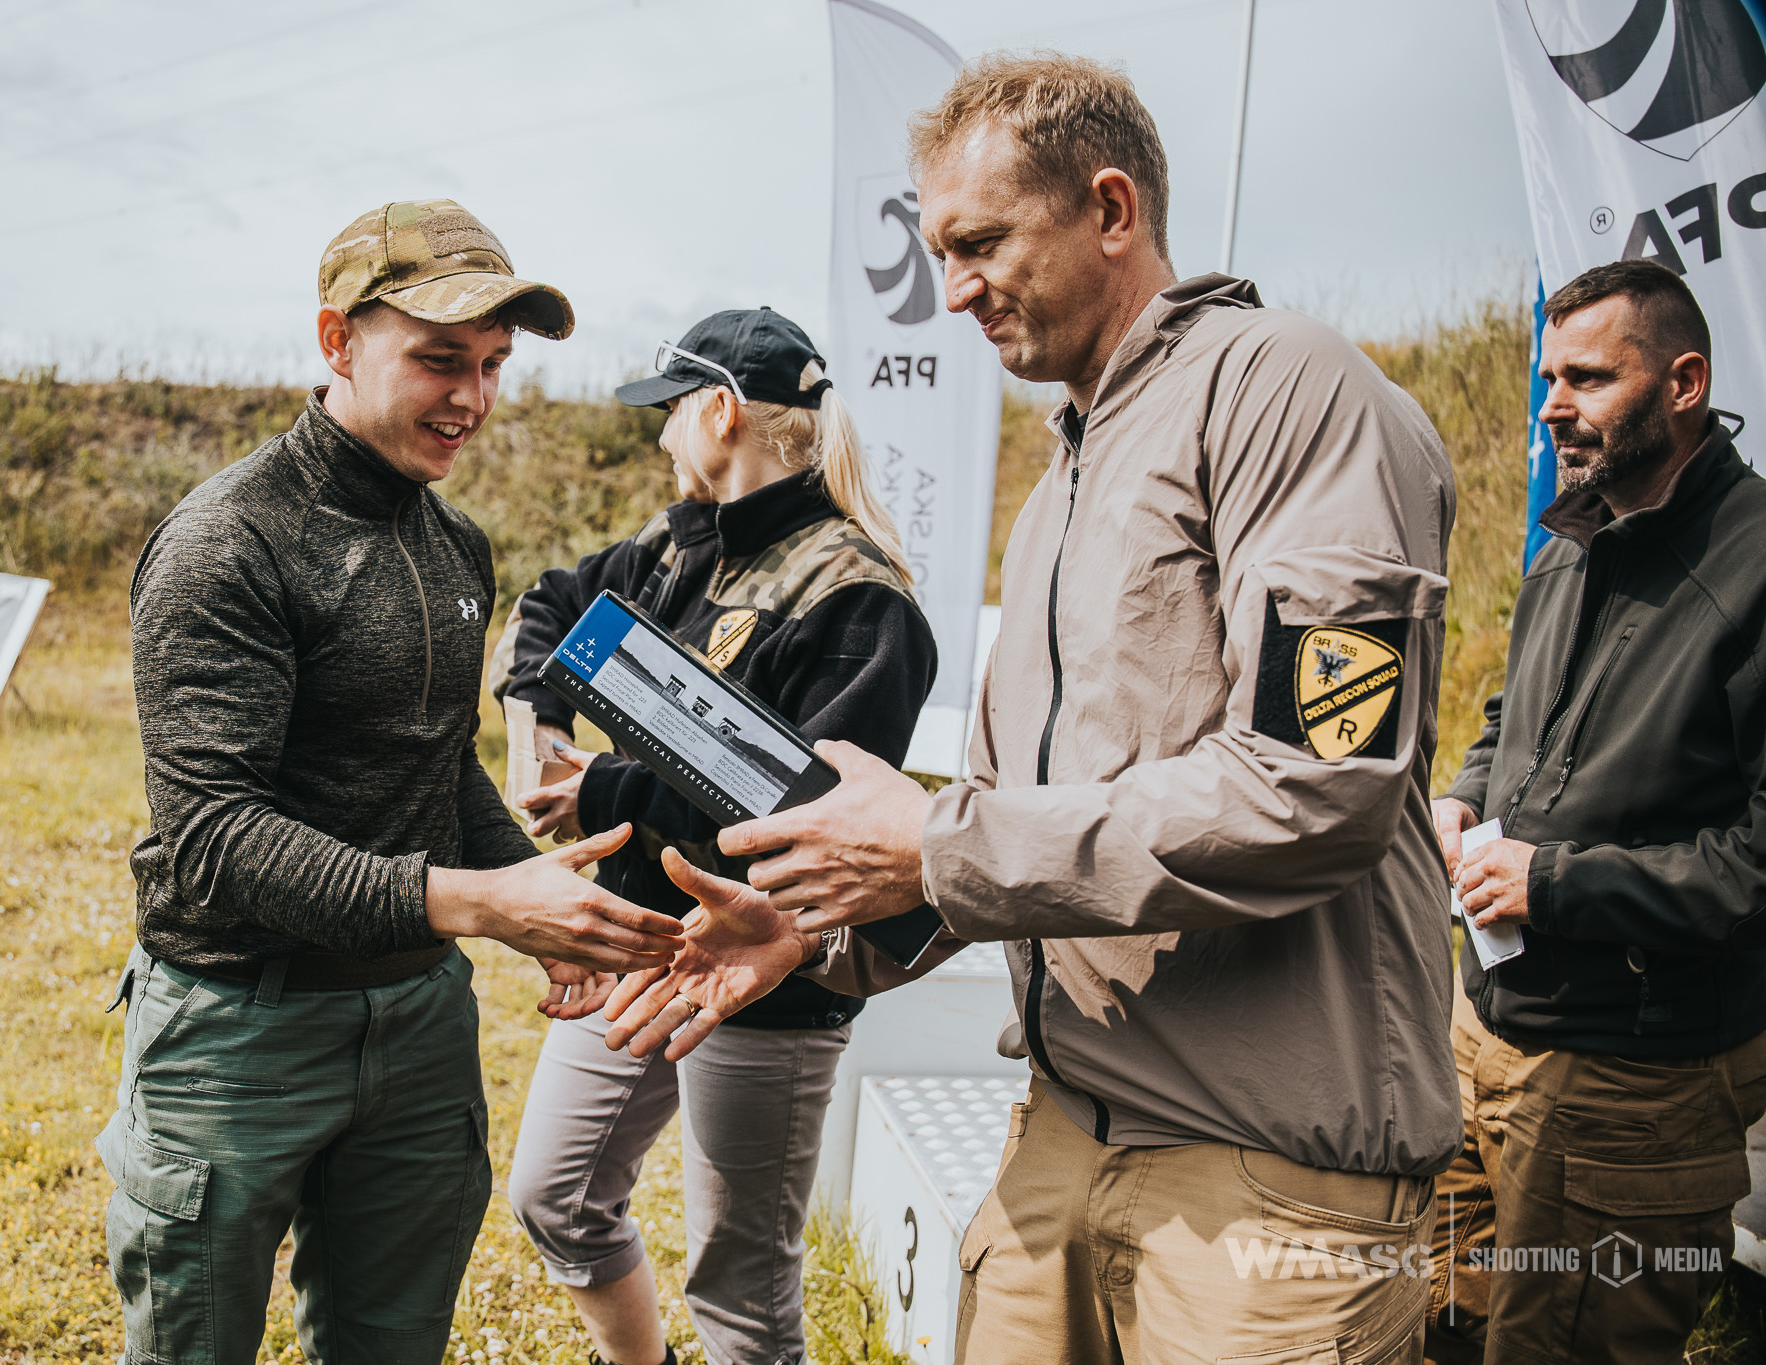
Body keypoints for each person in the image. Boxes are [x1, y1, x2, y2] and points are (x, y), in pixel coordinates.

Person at [604, 53, 1461, 1365]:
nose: (952, 292)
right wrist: (827, 937)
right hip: (1062, 1133)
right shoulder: (1057, 483)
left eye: (980, 244)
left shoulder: (1289, 388)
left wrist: (935, 844)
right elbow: (1013, 833)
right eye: (939, 256)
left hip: (1267, 1179)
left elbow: (1317, 784)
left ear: (1110, 209)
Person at [101, 199, 684, 1365]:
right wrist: (484, 904)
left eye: (492, 365)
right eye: (438, 359)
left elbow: (435, 764)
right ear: (337, 341)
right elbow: (214, 834)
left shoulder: (452, 542)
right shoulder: (228, 543)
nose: (471, 397)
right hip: (236, 1025)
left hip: (419, 1023)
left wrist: (541, 905)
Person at [490, 307, 938, 1365]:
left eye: (669, 412)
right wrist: (537, 732)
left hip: (762, 975)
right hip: (638, 943)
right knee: (554, 1196)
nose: (659, 436)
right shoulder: (674, 546)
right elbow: (551, 606)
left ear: (721, 412)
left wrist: (603, 789)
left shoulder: (858, 600)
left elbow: (809, 832)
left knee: (739, 1289)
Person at [1426, 260, 1766, 1364]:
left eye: (1585, 378)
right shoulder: (1569, 536)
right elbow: (1509, 722)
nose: (1551, 407)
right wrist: (1464, 796)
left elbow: (1754, 865)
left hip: (1628, 1089)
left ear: (1683, 383)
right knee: (1431, 1329)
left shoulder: (1757, 566)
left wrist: (1554, 883)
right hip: (1476, 1039)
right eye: (1545, 379)